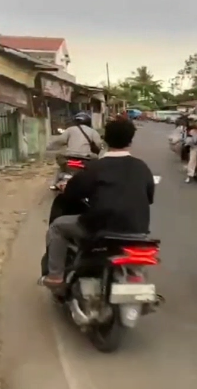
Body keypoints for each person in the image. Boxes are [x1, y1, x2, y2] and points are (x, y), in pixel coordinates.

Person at [42, 118, 156, 290]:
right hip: (138, 231)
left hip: (100, 229)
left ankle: (55, 277)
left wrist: (66, 187)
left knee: (58, 226)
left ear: (105, 139)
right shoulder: (142, 167)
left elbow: (73, 193)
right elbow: (149, 197)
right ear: (130, 140)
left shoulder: (96, 167)